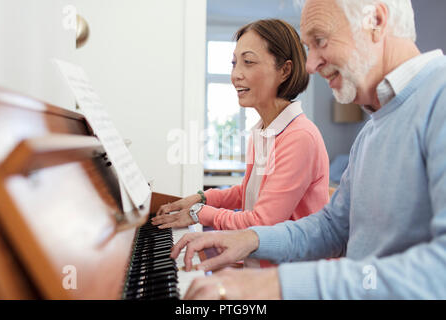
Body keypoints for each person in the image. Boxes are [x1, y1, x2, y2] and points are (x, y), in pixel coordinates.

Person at [170, 0, 446, 299]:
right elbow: (332, 229)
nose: (311, 65)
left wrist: (275, 285)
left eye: (320, 41)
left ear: (376, 21)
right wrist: (249, 239)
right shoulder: (373, 129)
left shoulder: (439, 99)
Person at [152, 20, 329, 238]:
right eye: (234, 63)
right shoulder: (265, 130)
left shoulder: (300, 137)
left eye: (248, 62)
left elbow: (262, 223)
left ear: (284, 70)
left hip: (289, 270)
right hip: (259, 264)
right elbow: (250, 194)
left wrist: (201, 213)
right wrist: (202, 199)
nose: (236, 75)